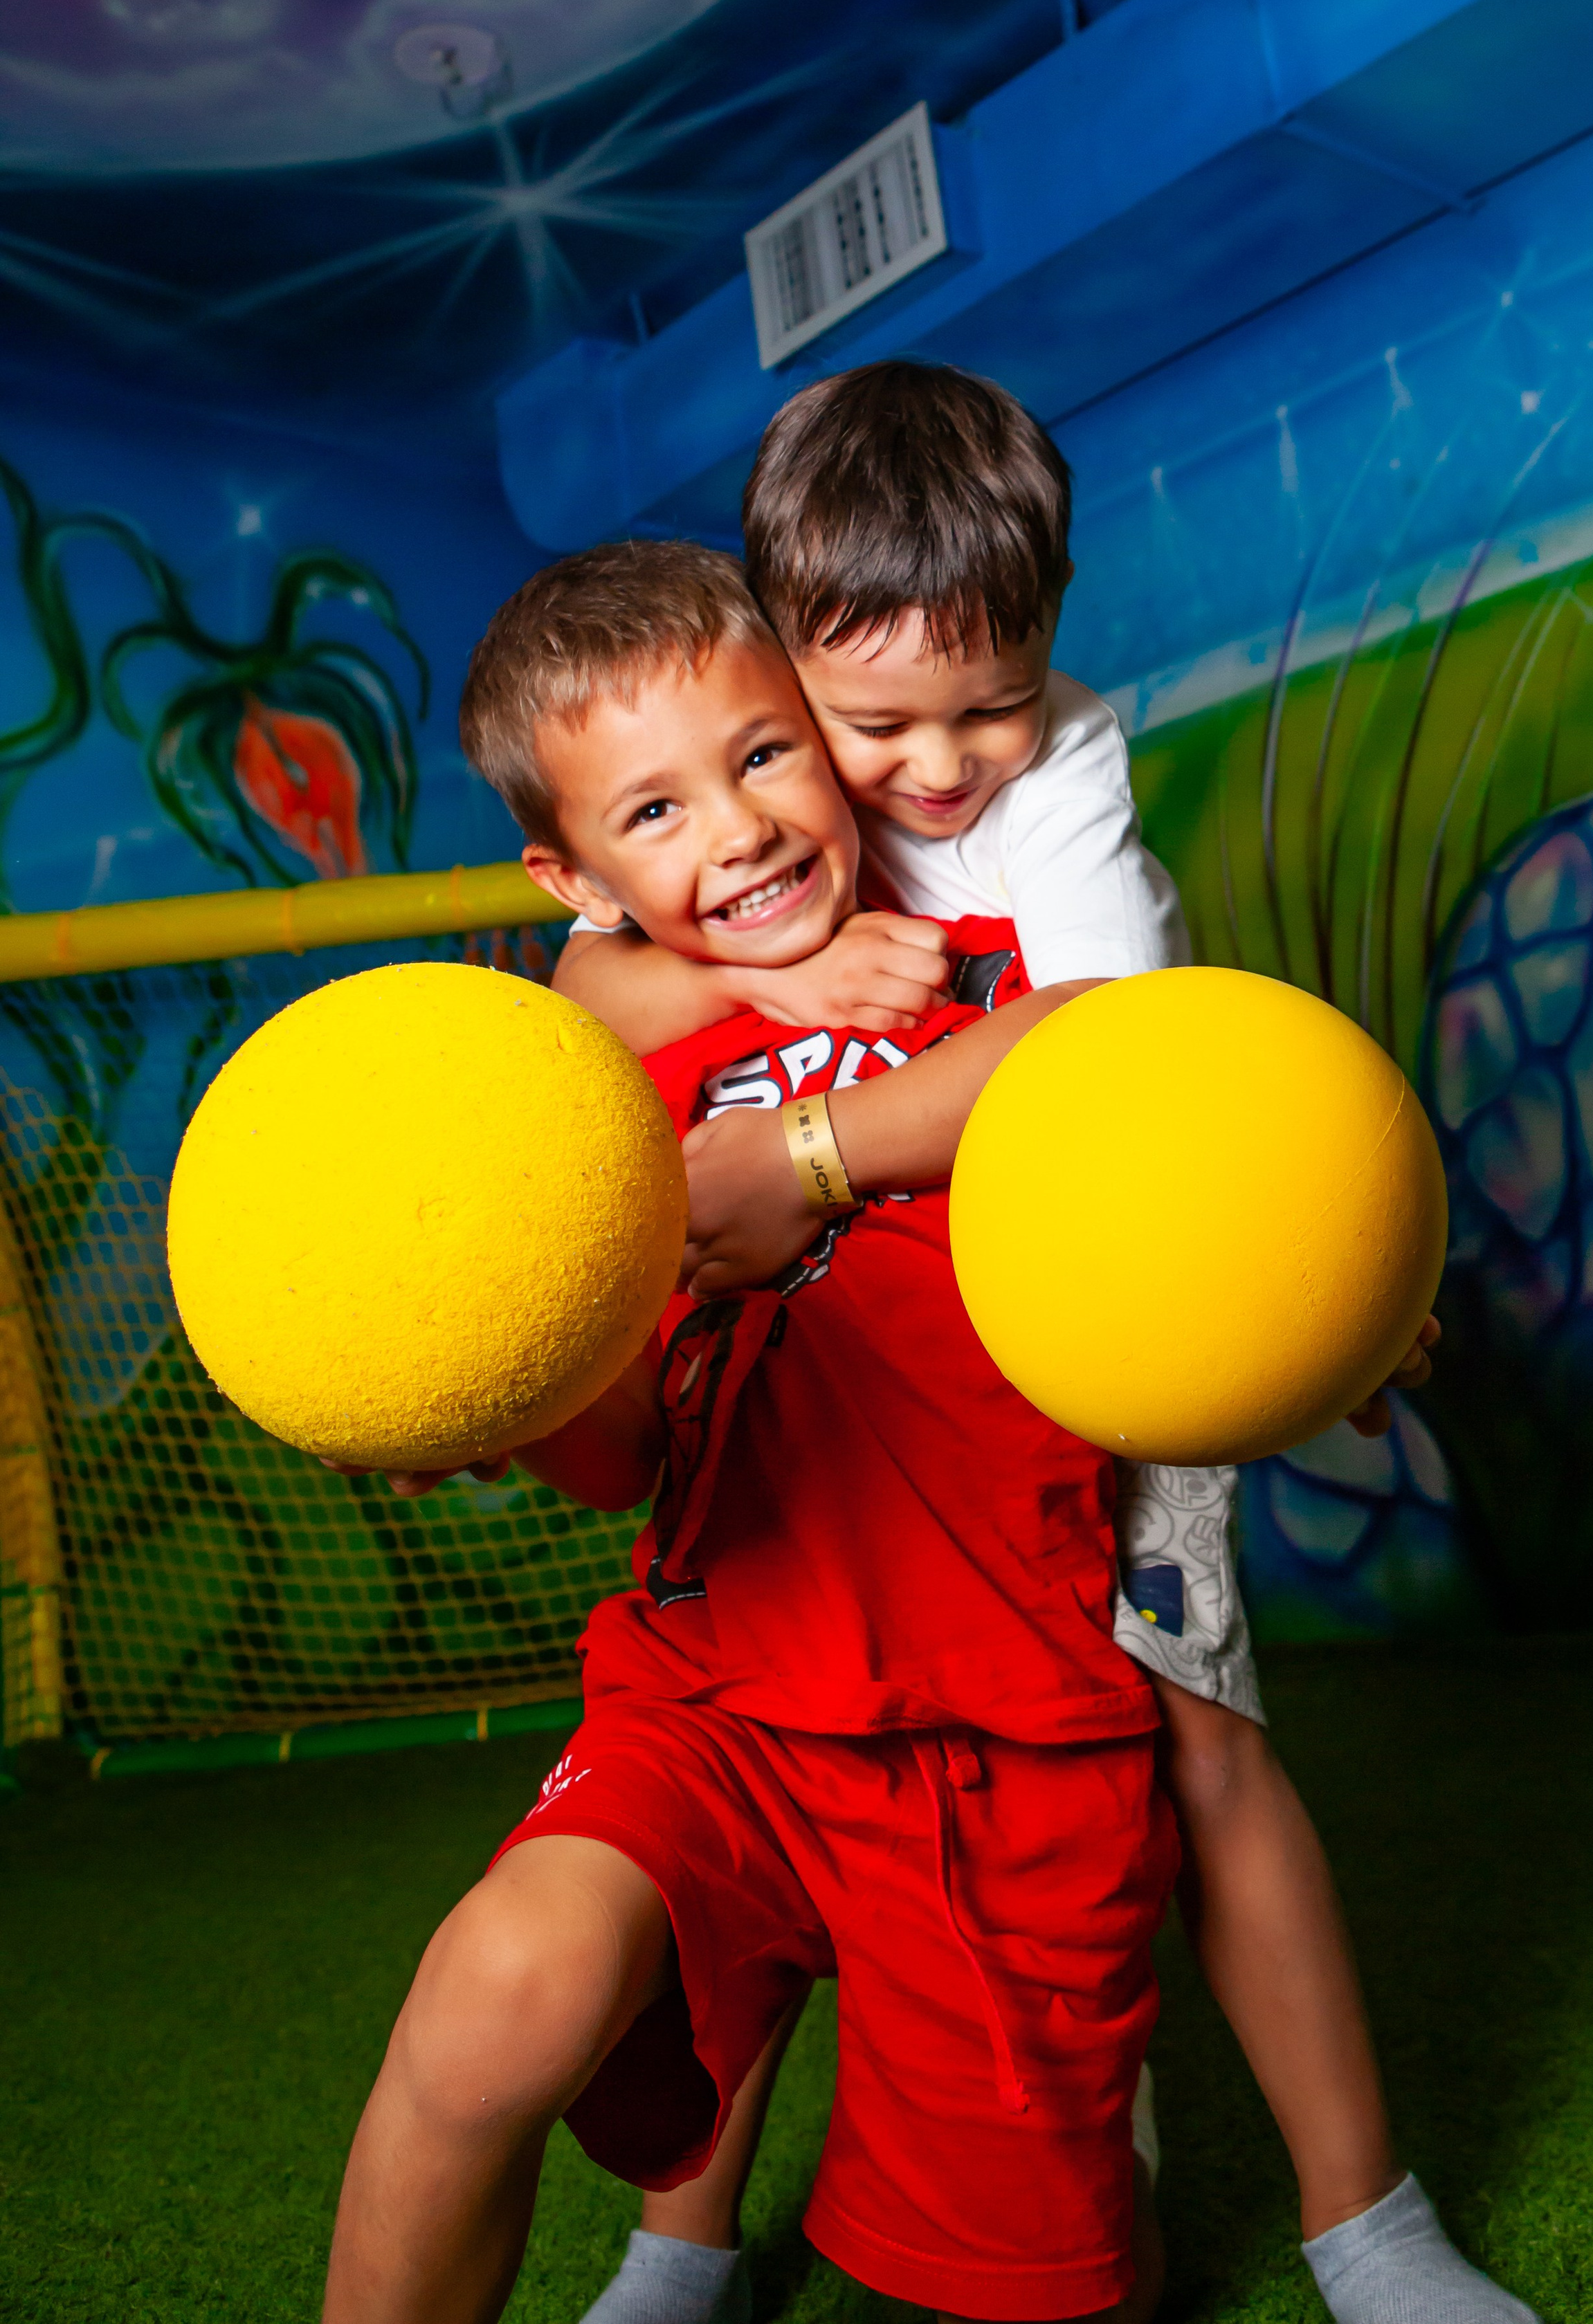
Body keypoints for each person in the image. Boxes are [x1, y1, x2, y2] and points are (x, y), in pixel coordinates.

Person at [549, 364, 1536, 2324]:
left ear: (1053, 640)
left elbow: (1098, 1046)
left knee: (1202, 1755)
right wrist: (804, 967)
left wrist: (809, 1147)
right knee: (759, 1772)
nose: (935, 769)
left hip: (1112, 1322)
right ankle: (682, 2239)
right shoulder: (758, 781)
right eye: (874, 725)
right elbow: (588, 971)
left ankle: (1368, 2220)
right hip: (851, 1400)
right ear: (774, 667)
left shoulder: (1058, 774)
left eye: (987, 701)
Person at [324, 540, 1190, 2324]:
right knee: (495, 1997)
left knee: (1042, 2285)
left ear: (826, 725)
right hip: (712, 1686)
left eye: (765, 755)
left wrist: (809, 1139)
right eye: (657, 809)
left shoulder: (979, 948)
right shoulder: (602, 1094)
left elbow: (1115, 1043)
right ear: (578, 879)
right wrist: (503, 1388)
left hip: (990, 1721)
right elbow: (628, 1450)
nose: (738, 830)